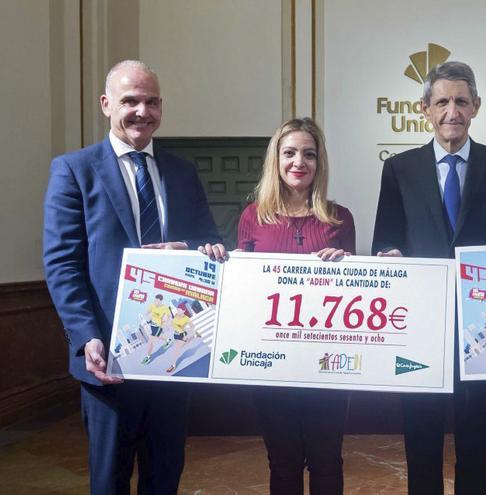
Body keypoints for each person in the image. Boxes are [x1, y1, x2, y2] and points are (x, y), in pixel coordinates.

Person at [43, 60, 224, 493]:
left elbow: (209, 242)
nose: (142, 111)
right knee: (109, 480)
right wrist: (86, 336)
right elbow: (62, 263)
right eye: (130, 101)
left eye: (152, 102)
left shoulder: (182, 172)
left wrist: (193, 249)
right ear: (106, 105)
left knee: (165, 477)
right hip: (108, 359)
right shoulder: (74, 169)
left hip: (174, 356)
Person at [372, 61, 486, 494]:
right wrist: (388, 255)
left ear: (476, 106)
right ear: (425, 109)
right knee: (421, 434)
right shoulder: (399, 169)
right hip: (420, 326)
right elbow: (386, 239)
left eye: (461, 101)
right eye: (441, 102)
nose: (451, 111)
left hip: (483, 325)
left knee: (478, 435)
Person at [236, 117, 354, 495]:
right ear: (276, 159)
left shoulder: (340, 218)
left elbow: (354, 291)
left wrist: (347, 264)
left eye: (308, 154)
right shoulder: (253, 217)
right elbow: (244, 291)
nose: (298, 162)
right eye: (289, 153)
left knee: (326, 460)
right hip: (271, 365)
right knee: (283, 462)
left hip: (328, 366)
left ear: (320, 162)